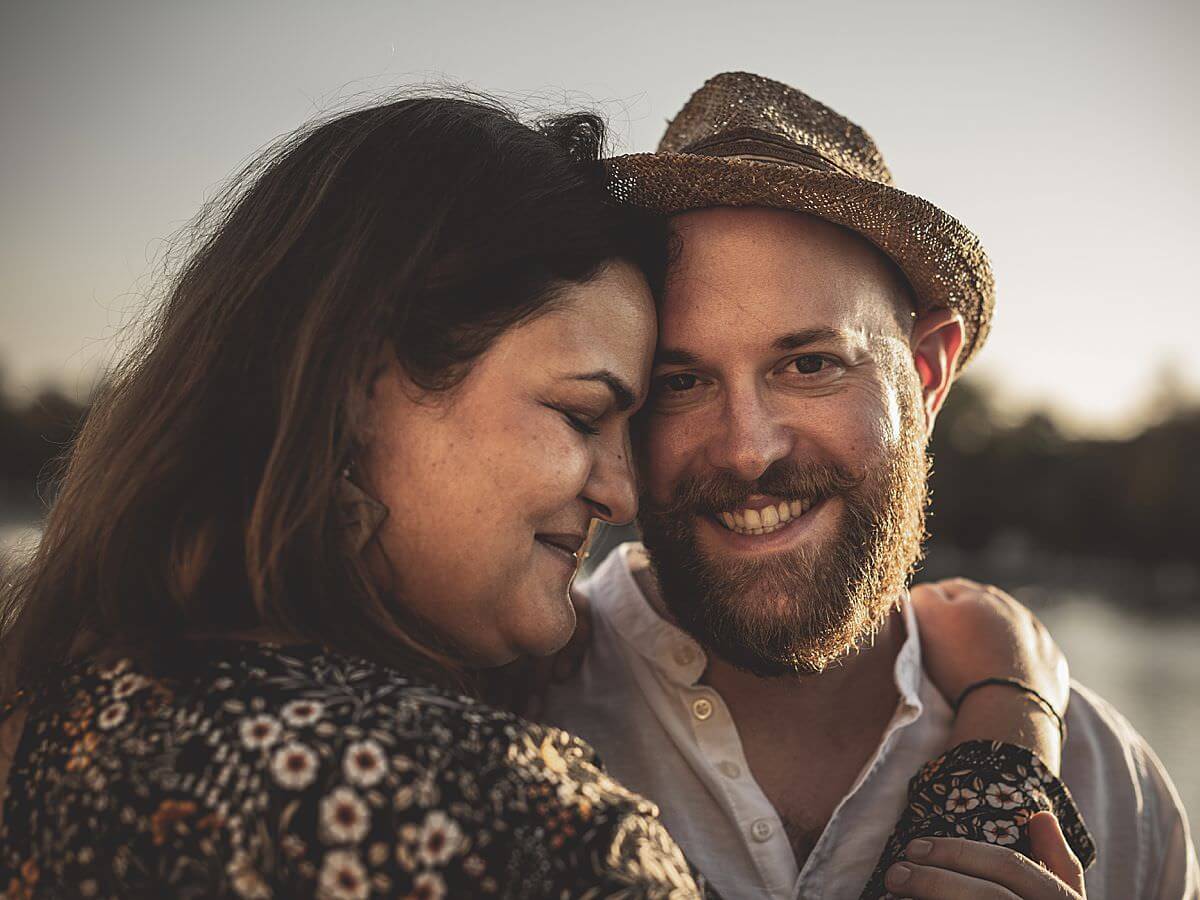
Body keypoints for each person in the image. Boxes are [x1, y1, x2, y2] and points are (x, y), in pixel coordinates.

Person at [0, 92, 1085, 899]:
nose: (620, 489)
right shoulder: (514, 816)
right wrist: (1005, 742)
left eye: (810, 361)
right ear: (357, 388)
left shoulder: (57, 710)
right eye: (591, 410)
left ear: (928, 374)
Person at [544, 71, 1199, 900]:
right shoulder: (501, 715)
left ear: (926, 375)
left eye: (810, 364)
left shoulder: (1115, 792)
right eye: (681, 381)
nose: (749, 451)